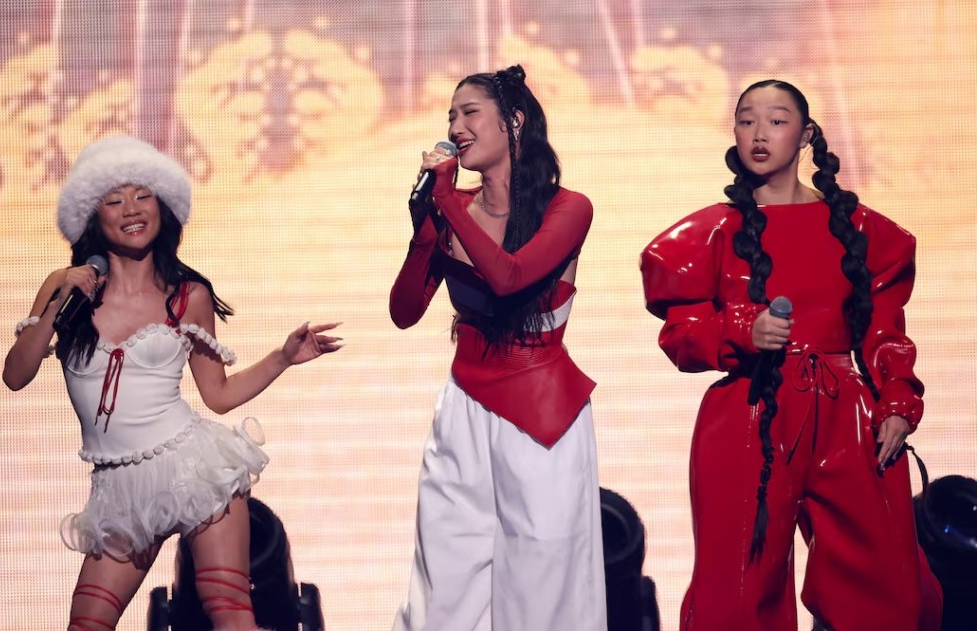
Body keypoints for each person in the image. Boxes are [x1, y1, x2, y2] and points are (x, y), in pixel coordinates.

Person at [2, 135, 342, 631]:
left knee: (230, 612)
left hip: (193, 467)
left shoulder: (187, 295)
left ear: (163, 207)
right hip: (119, 486)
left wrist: (283, 357)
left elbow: (218, 396)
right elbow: (16, 375)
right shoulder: (64, 288)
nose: (131, 210)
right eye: (114, 201)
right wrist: (56, 306)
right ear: (93, 218)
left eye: (143, 196)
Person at [640, 79, 943, 630]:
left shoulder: (862, 230)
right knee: (734, 590)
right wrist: (740, 331)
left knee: (887, 585)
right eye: (746, 120)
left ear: (805, 135)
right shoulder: (707, 234)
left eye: (776, 121)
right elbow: (680, 337)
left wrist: (898, 399)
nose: (759, 134)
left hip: (847, 414)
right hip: (748, 414)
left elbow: (884, 329)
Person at [389, 64, 607, 630]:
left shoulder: (568, 208)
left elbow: (511, 279)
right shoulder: (452, 209)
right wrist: (424, 228)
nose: (455, 127)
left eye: (469, 113)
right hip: (463, 408)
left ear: (514, 122)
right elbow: (404, 312)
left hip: (540, 413)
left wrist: (449, 205)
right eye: (450, 117)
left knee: (540, 575)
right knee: (446, 573)